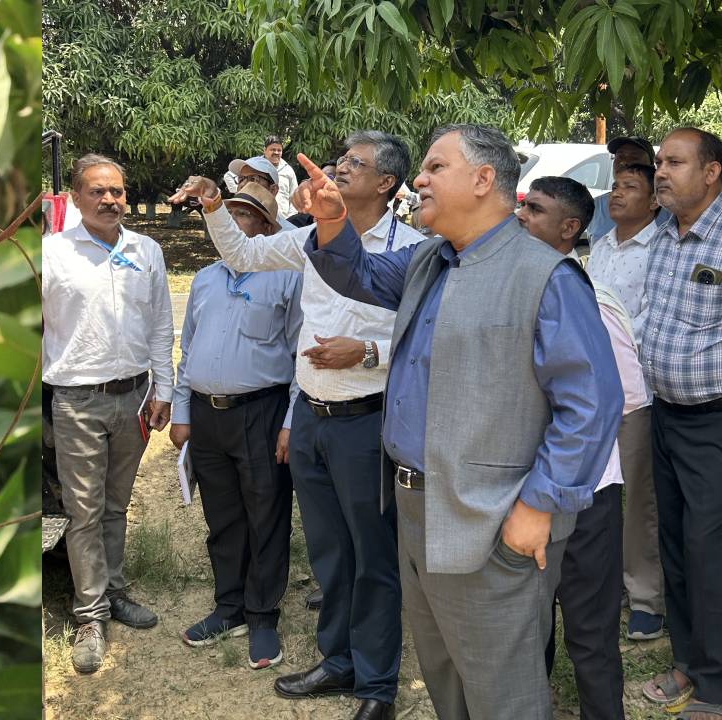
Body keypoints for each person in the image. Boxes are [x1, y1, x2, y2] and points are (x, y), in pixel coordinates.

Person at [179, 123, 621, 719]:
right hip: (419, 504)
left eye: (436, 167)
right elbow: (355, 274)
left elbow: (592, 405)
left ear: (484, 180)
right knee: (444, 674)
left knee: (501, 686)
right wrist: (332, 220)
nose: (420, 179)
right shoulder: (430, 260)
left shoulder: (544, 277)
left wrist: (539, 506)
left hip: (492, 518)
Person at [172, 130, 426, 720]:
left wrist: (364, 354)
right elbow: (244, 254)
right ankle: (338, 660)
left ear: (386, 184)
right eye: (337, 161)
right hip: (312, 418)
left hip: (366, 422)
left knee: (373, 556)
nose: (336, 170)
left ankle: (377, 685)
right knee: (331, 553)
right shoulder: (309, 239)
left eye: (352, 165)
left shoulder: (412, 249)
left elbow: (420, 339)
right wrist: (214, 203)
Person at [517, 176, 644, 720]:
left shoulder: (590, 298)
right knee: (526, 623)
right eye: (521, 207)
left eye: (536, 212)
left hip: (587, 492)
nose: (521, 218)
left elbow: (624, 398)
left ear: (569, 229)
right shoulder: (510, 286)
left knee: (590, 629)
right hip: (523, 491)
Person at [42, 153, 174, 675]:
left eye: (117, 191)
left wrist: (164, 387)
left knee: (117, 504)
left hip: (135, 398)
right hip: (76, 400)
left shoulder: (147, 250)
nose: (109, 200)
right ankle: (90, 615)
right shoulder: (52, 253)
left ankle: (114, 591)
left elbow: (162, 324)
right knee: (84, 511)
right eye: (97, 191)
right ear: (75, 198)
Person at [170, 184, 302, 670]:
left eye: (244, 215)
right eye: (228, 213)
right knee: (222, 516)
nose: (230, 222)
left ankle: (263, 614)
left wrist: (290, 422)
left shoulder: (288, 277)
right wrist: (182, 412)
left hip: (261, 412)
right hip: (207, 416)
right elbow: (188, 351)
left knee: (266, 513)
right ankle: (230, 607)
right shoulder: (204, 279)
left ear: (266, 229)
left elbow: (298, 357)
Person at [639, 127, 722, 720]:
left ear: (712, 172)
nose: (659, 172)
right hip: (666, 415)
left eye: (674, 162)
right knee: (675, 543)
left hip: (713, 421)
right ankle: (688, 663)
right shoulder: (665, 236)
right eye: (658, 162)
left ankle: (715, 684)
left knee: (708, 549)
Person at [585, 161, 665, 642]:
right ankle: (609, 581)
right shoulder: (601, 246)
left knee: (639, 500)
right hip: (595, 388)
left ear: (654, 201)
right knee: (600, 493)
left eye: (629, 188)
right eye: (615, 186)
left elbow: (645, 324)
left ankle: (646, 598)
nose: (616, 195)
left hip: (635, 392)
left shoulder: (659, 250)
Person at [586, 136, 672, 240]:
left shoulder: (671, 210)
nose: (624, 162)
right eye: (619, 156)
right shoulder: (595, 207)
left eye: (634, 158)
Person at [265, 136, 300, 220]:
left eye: (279, 150)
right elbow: (230, 176)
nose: (276, 152)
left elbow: (294, 196)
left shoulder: (288, 170)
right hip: (259, 218)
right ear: (265, 150)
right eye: (273, 150)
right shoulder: (255, 166)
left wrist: (290, 218)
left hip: (283, 221)